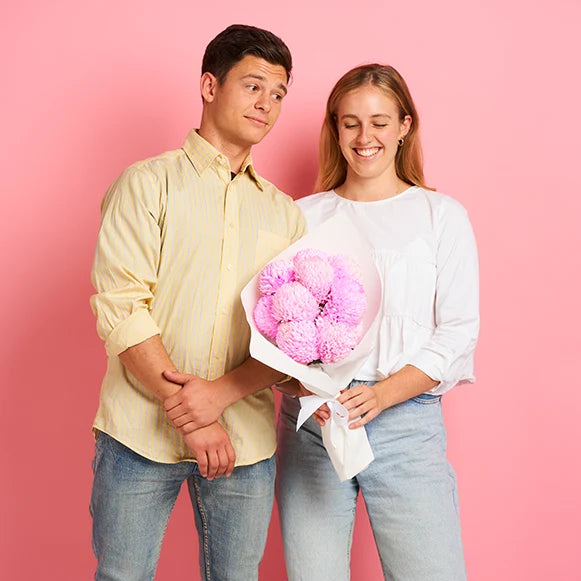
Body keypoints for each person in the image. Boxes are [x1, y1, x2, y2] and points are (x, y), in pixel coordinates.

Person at [89, 24, 305, 581]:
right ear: (210, 86)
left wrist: (221, 399)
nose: (267, 103)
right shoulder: (146, 184)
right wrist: (192, 414)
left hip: (245, 442)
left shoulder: (285, 215)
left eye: (278, 93)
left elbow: (290, 338)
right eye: (253, 86)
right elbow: (122, 307)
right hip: (138, 434)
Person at [276, 64, 479, 581]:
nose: (364, 137)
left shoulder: (441, 215)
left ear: (405, 126)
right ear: (335, 129)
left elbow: (458, 332)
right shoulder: (300, 216)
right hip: (316, 421)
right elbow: (274, 321)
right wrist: (303, 388)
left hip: (407, 422)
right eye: (350, 123)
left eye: (380, 122)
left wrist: (384, 394)